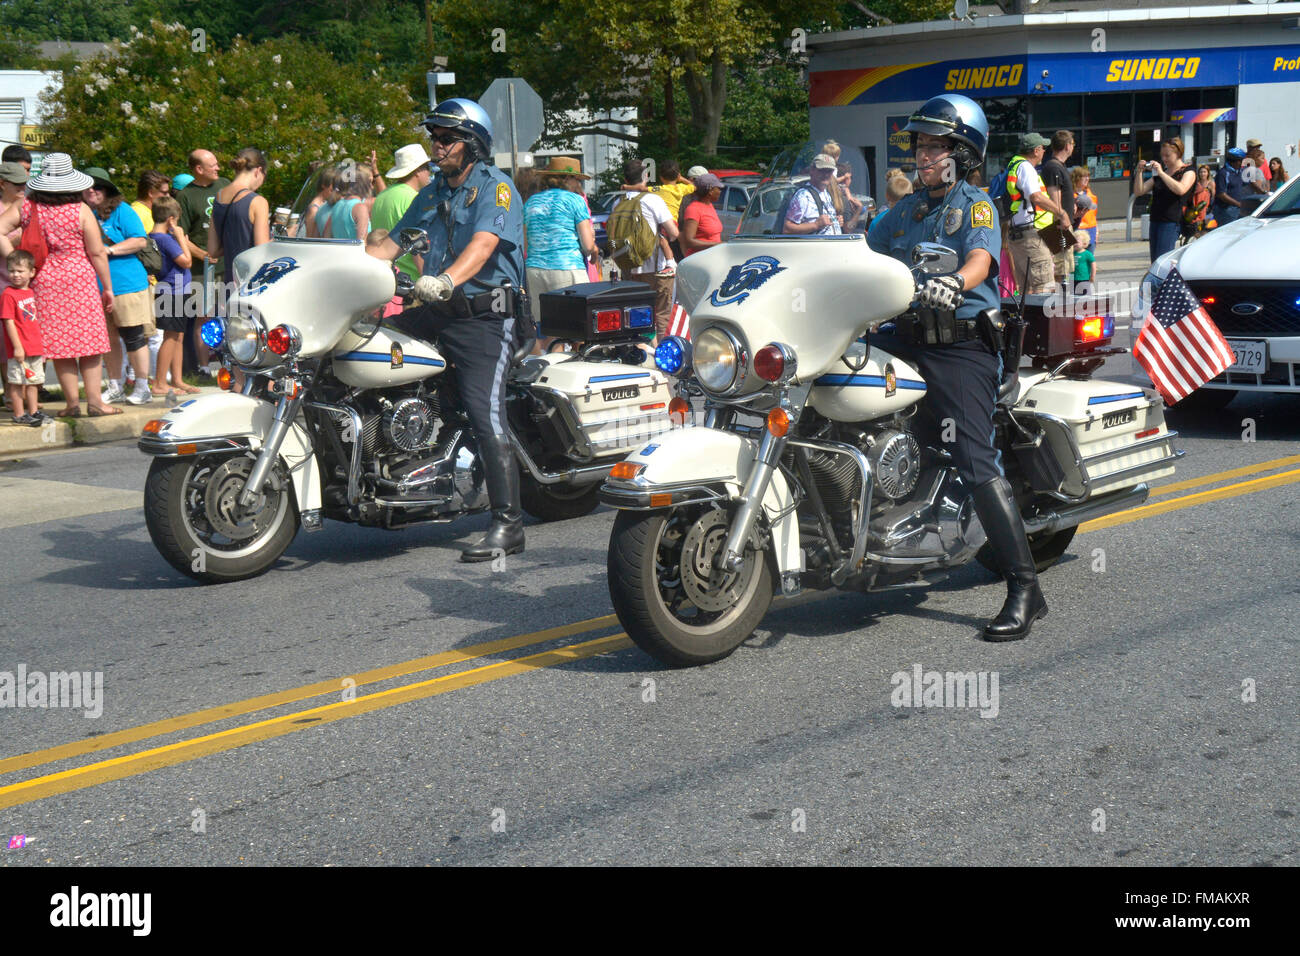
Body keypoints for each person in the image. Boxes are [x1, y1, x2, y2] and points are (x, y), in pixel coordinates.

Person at [867, 93, 1047, 641]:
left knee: (973, 455)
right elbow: (862, 250)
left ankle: (1025, 587)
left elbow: (979, 259)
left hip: (960, 345)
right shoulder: (904, 211)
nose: (923, 154)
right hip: (905, 337)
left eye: (935, 145)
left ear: (962, 152)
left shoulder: (976, 205)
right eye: (920, 144)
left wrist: (956, 281)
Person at [366, 97, 528, 563]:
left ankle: (508, 525)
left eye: (446, 138)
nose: (435, 146)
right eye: (433, 137)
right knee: (365, 350)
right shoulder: (432, 191)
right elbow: (391, 245)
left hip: (485, 317)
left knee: (484, 411)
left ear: (472, 144)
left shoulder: (496, 188)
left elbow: (484, 244)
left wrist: (446, 279)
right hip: (437, 309)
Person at [0, 154, 117, 417]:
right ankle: (96, 402)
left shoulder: (28, 207)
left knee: (61, 347)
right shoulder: (81, 210)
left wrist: (16, 261)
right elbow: (97, 252)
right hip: (79, 278)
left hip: (43, 280)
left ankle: (72, 404)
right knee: (90, 345)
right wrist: (107, 287)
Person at [84, 167, 154, 406]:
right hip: (95, 287)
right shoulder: (84, 212)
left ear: (107, 190)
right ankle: (115, 385)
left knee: (134, 337)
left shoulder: (122, 211)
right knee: (108, 339)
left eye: (97, 187)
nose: (92, 191)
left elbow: (140, 240)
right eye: (88, 187)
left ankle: (142, 386)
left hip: (126, 284)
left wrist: (110, 249)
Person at [522, 156, 598, 350]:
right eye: (576, 179)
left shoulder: (531, 202)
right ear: (566, 179)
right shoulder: (575, 201)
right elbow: (588, 246)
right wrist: (594, 248)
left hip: (535, 270)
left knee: (549, 328)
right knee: (580, 327)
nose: (578, 184)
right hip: (567, 268)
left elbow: (525, 243)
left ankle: (545, 365)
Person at [613, 158, 679, 339]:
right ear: (645, 176)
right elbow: (673, 234)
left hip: (628, 268)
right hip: (656, 269)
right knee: (661, 314)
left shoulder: (618, 202)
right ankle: (660, 355)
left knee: (636, 312)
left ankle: (639, 348)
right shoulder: (652, 200)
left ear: (625, 180)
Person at [177, 149, 229, 375]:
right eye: (213, 165)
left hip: (228, 265)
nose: (218, 168)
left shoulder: (225, 185)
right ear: (199, 169)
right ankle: (204, 367)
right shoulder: (186, 196)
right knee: (204, 316)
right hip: (202, 270)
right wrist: (204, 255)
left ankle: (230, 363)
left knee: (229, 314)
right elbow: (180, 236)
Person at [1003, 133, 1069, 295]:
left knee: (1027, 292)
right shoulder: (1026, 167)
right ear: (1036, 150)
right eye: (1043, 148)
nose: (1044, 151)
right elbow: (1036, 196)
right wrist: (1061, 213)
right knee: (1044, 290)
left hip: (1019, 234)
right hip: (1031, 236)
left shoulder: (1013, 165)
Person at [149, 196, 198, 398]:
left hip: (176, 290)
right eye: (176, 220)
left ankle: (176, 379)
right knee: (170, 337)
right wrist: (180, 238)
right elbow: (186, 261)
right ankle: (160, 382)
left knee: (178, 335)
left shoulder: (151, 236)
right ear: (171, 219)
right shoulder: (165, 239)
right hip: (172, 291)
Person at [209, 147, 271, 285]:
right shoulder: (258, 202)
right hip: (251, 283)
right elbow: (262, 249)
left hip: (229, 283)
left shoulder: (218, 197)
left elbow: (212, 251)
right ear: (258, 171)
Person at [372, 145, 433, 280]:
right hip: (410, 280)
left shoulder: (382, 196)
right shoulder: (414, 199)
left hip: (385, 276)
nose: (430, 173)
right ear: (417, 171)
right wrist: (427, 280)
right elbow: (418, 246)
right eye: (427, 168)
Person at [2, 250, 47, 425]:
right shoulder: (8, 294)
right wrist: (18, 347)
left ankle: (34, 411)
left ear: (31, 272)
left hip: (34, 346)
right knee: (16, 382)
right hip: (19, 348)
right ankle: (19, 414)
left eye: (20, 271)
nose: (15, 275)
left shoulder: (31, 292)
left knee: (33, 382)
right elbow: (8, 322)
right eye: (12, 271)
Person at [1132, 137, 1194, 262]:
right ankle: (1157, 281)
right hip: (1155, 219)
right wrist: (1139, 172)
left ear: (1178, 154)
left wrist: (1161, 173)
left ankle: (1164, 281)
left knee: (1163, 260)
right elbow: (1139, 191)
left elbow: (1181, 189)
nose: (1164, 159)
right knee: (1155, 261)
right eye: (1162, 155)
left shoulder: (1188, 171)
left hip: (1171, 221)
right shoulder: (1161, 173)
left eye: (1168, 155)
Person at [1038, 131, 1075, 285]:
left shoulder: (1058, 166)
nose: (1073, 147)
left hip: (1063, 221)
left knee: (1064, 267)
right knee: (1060, 268)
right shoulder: (1053, 167)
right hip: (1059, 224)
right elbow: (1054, 197)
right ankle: (1058, 301)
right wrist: (1062, 216)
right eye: (1073, 144)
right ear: (1067, 146)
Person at [784, 154, 843, 235]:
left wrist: (835, 221)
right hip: (814, 247)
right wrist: (815, 225)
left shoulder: (826, 194)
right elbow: (787, 229)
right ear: (812, 170)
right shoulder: (803, 196)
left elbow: (824, 222)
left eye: (829, 171)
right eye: (822, 170)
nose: (825, 174)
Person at [679, 173, 724, 256]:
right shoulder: (694, 209)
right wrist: (716, 245)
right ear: (710, 191)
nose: (720, 191)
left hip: (713, 256)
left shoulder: (709, 205)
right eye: (718, 188)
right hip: (699, 259)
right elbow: (688, 241)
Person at [329, 161, 373, 240]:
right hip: (353, 252)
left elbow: (327, 237)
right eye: (370, 182)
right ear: (363, 184)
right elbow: (361, 244)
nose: (372, 187)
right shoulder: (360, 208)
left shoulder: (337, 205)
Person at [1212, 148, 1251, 226]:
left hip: (1237, 208)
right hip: (1225, 210)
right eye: (1241, 161)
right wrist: (1238, 204)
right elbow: (1221, 194)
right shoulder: (1223, 173)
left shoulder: (1239, 171)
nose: (1242, 164)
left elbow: (1245, 183)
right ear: (1236, 161)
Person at [131, 170, 170, 235]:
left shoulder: (151, 211)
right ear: (151, 193)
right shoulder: (138, 214)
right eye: (164, 193)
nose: (168, 196)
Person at [1071, 166, 1098, 252]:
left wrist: (1097, 231)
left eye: (1088, 176)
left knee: (1089, 257)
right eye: (1084, 176)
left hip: (1091, 229)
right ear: (1077, 178)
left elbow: (1094, 215)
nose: (1087, 179)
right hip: (1077, 229)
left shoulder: (1090, 194)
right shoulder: (1070, 195)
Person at [1071, 232, 1095, 297]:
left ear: (1084, 244)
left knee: (1086, 295)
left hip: (1084, 279)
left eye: (1077, 242)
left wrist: (1092, 276)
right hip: (1073, 279)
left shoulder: (1087, 254)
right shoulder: (1072, 253)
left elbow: (1093, 265)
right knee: (1074, 295)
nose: (1075, 243)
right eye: (1074, 241)